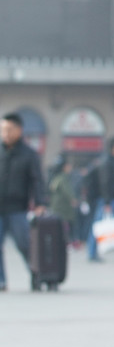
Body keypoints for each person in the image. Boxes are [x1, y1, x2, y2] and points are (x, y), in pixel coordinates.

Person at [0, 112, 47, 290]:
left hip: (18, 208)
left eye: (9, 129)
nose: (5, 133)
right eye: (2, 129)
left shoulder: (29, 154)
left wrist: (40, 203)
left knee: (25, 244)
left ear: (19, 130)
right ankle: (1, 281)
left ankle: (37, 274)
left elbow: (37, 180)